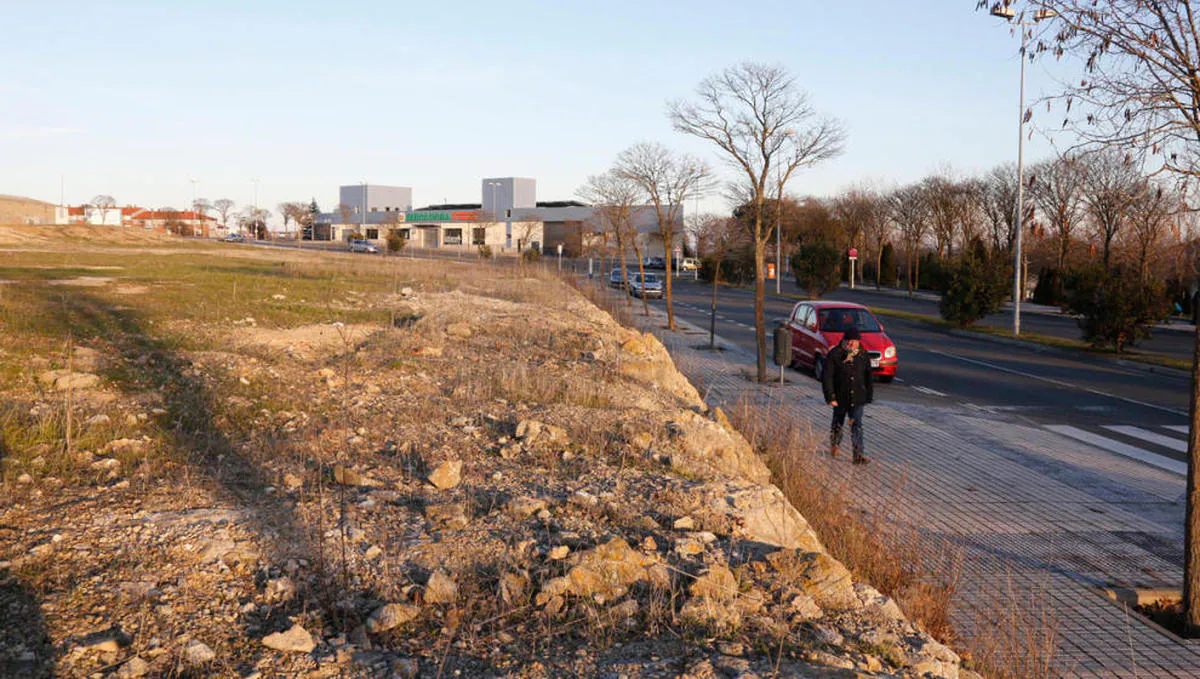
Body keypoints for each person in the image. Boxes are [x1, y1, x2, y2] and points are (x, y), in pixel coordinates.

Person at [822, 327, 873, 465]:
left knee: (857, 424)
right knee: (838, 422)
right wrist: (830, 397)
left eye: (854, 341)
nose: (851, 344)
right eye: (849, 341)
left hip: (857, 397)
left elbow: (868, 376)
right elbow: (827, 377)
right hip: (840, 396)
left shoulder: (863, 355)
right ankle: (835, 444)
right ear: (844, 341)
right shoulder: (835, 354)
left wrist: (868, 395)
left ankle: (858, 454)